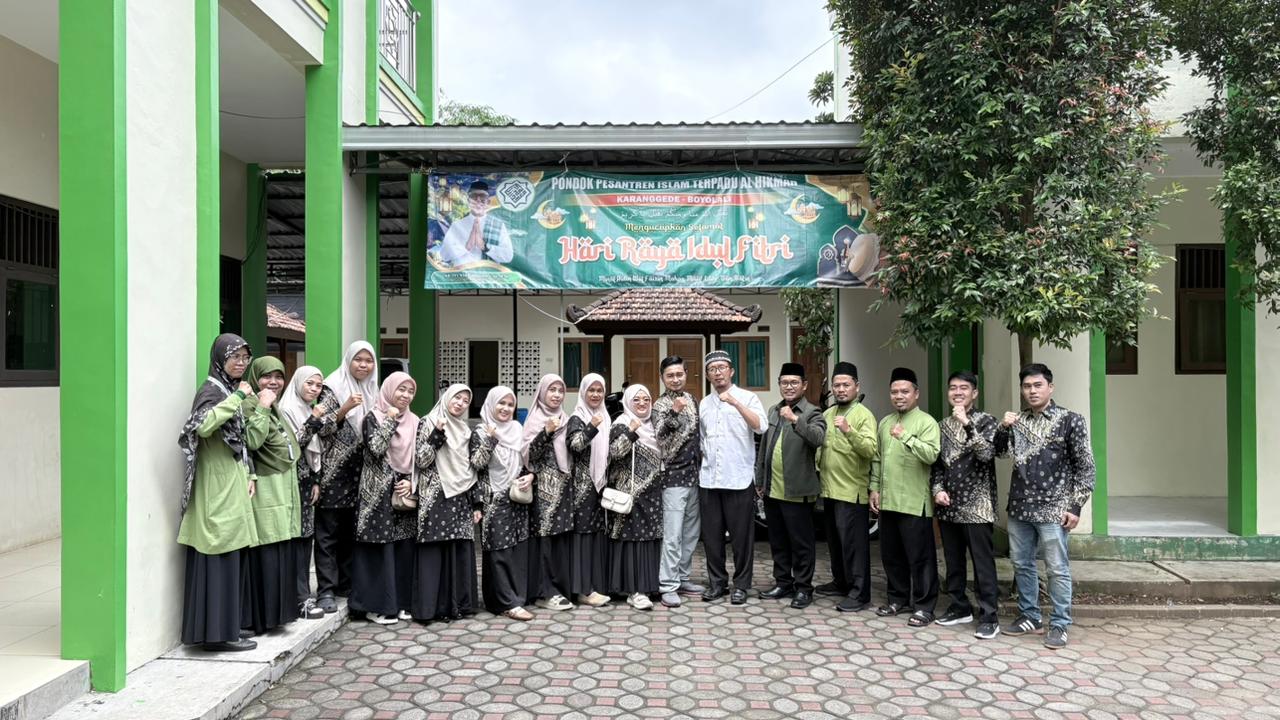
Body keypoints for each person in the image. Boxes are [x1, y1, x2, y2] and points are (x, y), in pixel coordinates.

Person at [996, 363, 1095, 650]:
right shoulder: (1017, 422)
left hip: (1053, 509)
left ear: (1050, 387)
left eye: (1037, 385)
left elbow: (1085, 467)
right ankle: (1030, 616)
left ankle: (1060, 624)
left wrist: (1075, 506)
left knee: (1057, 568)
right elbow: (1000, 453)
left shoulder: (1070, 421)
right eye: (1027, 386)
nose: (1032, 391)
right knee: (1021, 563)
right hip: (1020, 507)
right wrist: (1003, 428)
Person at [177, 334, 259, 652]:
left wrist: (249, 473)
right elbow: (202, 425)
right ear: (220, 359)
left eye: (244, 357)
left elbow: (238, 440)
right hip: (215, 485)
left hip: (231, 481)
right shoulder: (212, 390)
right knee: (218, 554)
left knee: (231, 554)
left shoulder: (225, 388)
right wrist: (238, 398)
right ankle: (216, 634)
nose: (240, 363)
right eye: (234, 357)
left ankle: (228, 628)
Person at [931, 370, 1001, 639]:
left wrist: (967, 424)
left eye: (963, 388)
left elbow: (986, 454)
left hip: (978, 506)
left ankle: (989, 615)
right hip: (949, 505)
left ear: (975, 393)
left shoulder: (986, 422)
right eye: (952, 388)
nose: (957, 392)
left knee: (982, 563)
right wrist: (937, 489)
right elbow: (937, 464)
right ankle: (960, 607)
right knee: (953, 561)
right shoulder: (942, 426)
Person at [870, 367, 941, 628]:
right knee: (891, 555)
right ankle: (897, 599)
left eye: (905, 391)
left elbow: (931, 455)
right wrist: (874, 488)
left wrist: (907, 437)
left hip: (914, 503)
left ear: (916, 394)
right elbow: (877, 459)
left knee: (920, 558)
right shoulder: (885, 422)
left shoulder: (926, 422)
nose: (899, 396)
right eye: (894, 392)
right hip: (889, 502)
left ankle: (924, 606)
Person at [313, 341, 379, 613]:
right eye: (358, 360)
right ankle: (326, 591)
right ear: (348, 361)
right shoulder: (332, 388)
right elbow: (321, 428)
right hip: (332, 472)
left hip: (359, 472)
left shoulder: (372, 390)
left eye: (368, 360)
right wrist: (344, 409)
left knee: (351, 531)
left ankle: (345, 583)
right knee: (328, 533)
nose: (363, 365)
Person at [755, 362, 827, 609]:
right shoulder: (774, 410)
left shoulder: (812, 412)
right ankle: (783, 582)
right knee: (778, 541)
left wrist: (796, 419)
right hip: (773, 490)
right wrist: (760, 479)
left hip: (798, 492)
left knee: (802, 543)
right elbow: (765, 448)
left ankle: (804, 588)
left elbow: (818, 439)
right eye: (784, 382)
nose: (789, 387)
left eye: (794, 382)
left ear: (804, 385)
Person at [241, 356, 304, 636]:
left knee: (281, 550)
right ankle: (263, 619)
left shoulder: (274, 406)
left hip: (283, 485)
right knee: (266, 550)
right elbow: (252, 441)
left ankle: (280, 616)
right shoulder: (250, 405)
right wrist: (263, 406)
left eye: (279, 377)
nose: (274, 382)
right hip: (266, 486)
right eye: (267, 376)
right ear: (255, 378)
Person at [698, 350, 766, 605]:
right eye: (712, 369)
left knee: (741, 538)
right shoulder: (704, 403)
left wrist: (736, 403)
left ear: (731, 371)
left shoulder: (747, 397)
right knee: (712, 538)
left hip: (738, 479)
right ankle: (717, 583)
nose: (717, 372)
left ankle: (741, 585)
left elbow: (761, 426)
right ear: (707, 375)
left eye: (722, 367)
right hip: (709, 480)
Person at [350, 371, 418, 625]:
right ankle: (375, 606)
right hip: (376, 495)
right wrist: (390, 421)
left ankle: (400, 603)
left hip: (403, 493)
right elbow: (376, 448)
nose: (405, 395)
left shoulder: (414, 421)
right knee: (377, 550)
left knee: (403, 549)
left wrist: (412, 482)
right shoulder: (373, 417)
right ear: (389, 390)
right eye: (401, 389)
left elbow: (419, 459)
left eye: (410, 391)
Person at [411, 383, 482, 622]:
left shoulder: (465, 430)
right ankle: (431, 609)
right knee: (434, 551)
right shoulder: (428, 422)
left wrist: (476, 504)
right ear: (446, 397)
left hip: (461, 497)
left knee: (458, 550)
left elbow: (472, 469)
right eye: (457, 398)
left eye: (465, 400)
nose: (460, 403)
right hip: (435, 495)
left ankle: (458, 606)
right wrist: (437, 435)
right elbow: (421, 460)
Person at [816, 361, 878, 613]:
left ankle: (860, 593)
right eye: (837, 385)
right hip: (829, 490)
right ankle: (841, 582)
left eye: (846, 385)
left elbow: (871, 450)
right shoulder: (828, 414)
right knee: (834, 542)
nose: (841, 390)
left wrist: (849, 430)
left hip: (851, 492)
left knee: (854, 546)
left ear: (856, 386)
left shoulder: (863, 415)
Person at [473, 386, 536, 621]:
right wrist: (491, 439)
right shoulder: (480, 432)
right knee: (498, 550)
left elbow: (526, 462)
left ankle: (514, 597)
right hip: (493, 498)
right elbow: (477, 464)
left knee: (517, 549)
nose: (506, 409)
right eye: (501, 403)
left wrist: (530, 476)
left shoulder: (517, 429)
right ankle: (505, 601)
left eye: (510, 405)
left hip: (517, 496)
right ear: (490, 404)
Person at [605, 385, 664, 610]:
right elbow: (615, 453)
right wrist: (630, 431)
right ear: (628, 402)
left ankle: (649, 586)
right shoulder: (621, 423)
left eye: (646, 399)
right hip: (630, 492)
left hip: (653, 491)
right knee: (631, 540)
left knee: (650, 539)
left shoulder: (654, 425)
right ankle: (633, 590)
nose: (641, 403)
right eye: (636, 399)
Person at [521, 374, 576, 611]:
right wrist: (545, 432)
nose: (556, 395)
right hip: (543, 490)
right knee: (544, 541)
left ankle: (560, 589)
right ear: (542, 393)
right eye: (551, 390)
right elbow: (529, 456)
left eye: (560, 390)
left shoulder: (566, 418)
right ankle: (544, 593)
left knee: (560, 541)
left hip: (564, 487)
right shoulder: (535, 420)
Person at [277, 365, 328, 620]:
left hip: (307, 482)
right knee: (293, 541)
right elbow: (292, 445)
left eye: (318, 386)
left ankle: (303, 596)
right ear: (298, 383)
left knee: (305, 540)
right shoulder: (287, 409)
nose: (314, 389)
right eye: (310, 384)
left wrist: (317, 480)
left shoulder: (308, 409)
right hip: (289, 483)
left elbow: (315, 453)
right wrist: (314, 420)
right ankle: (296, 599)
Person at [654, 356, 704, 608]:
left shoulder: (693, 400)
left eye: (679, 374)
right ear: (662, 378)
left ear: (686, 374)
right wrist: (674, 412)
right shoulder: (660, 405)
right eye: (670, 375)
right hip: (672, 478)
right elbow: (659, 437)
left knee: (691, 532)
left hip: (694, 477)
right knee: (672, 535)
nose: (675, 379)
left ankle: (683, 577)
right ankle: (668, 584)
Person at [565, 373, 612, 608]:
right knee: (582, 537)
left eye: (599, 390)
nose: (595, 395)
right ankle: (582, 589)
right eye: (591, 390)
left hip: (600, 486)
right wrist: (591, 428)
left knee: (596, 537)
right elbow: (574, 445)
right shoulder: (577, 417)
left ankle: (596, 585)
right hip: (582, 488)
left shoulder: (605, 416)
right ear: (583, 392)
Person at [439, 181, 514, 267]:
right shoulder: (457, 225)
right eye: (474, 196)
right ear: (468, 201)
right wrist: (466, 247)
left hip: (489, 277)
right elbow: (444, 255)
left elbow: (508, 256)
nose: (478, 200)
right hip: (461, 276)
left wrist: (485, 247)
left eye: (482, 197)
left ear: (488, 202)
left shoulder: (498, 225)